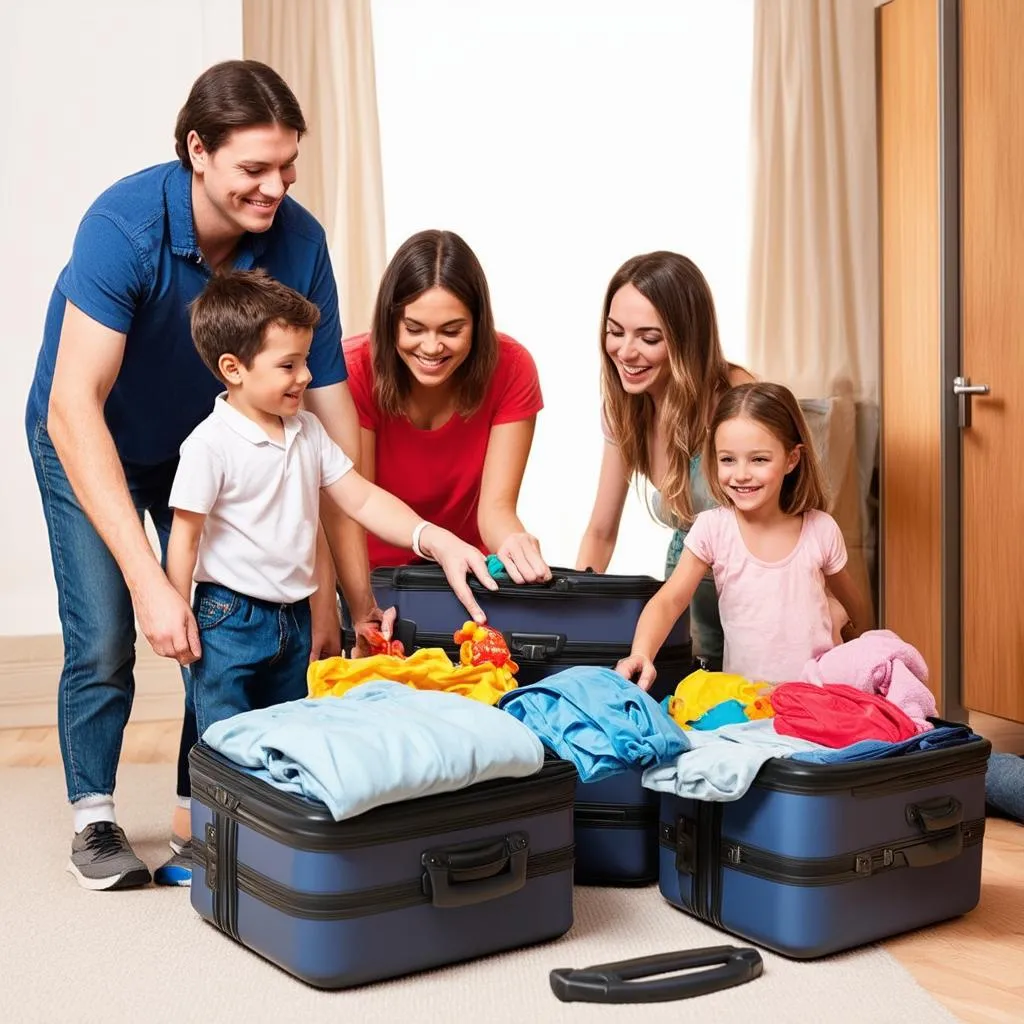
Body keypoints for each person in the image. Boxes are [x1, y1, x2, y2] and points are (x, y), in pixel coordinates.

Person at [24, 60, 382, 891]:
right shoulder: (125, 227)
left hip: (207, 445)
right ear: (198, 150)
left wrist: (350, 595)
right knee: (111, 629)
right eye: (254, 169)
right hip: (91, 435)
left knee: (222, 621)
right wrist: (151, 583)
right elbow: (74, 407)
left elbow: (334, 432)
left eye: (287, 166)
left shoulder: (299, 242)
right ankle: (95, 817)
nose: (275, 187)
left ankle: (207, 807)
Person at [167, 268, 495, 749]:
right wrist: (177, 608)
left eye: (305, 361)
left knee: (292, 737)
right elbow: (185, 536)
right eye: (289, 365)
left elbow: (360, 497)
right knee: (224, 743)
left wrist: (427, 534)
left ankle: (276, 826)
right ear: (234, 368)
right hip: (228, 617)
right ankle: (217, 822)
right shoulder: (209, 445)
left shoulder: (308, 432)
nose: (306, 375)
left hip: (294, 617)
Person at [615, 382, 871, 691]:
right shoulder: (713, 528)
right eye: (727, 459)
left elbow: (858, 611)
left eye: (759, 459)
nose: (740, 474)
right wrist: (641, 653)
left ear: (792, 459)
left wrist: (860, 648)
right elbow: (670, 601)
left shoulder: (820, 529)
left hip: (813, 702)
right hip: (747, 707)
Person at [343, 229, 550, 600]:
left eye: (452, 330)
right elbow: (355, 510)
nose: (432, 347)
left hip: (466, 576)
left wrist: (514, 542)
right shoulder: (354, 369)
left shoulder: (512, 367)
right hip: (373, 581)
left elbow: (496, 510)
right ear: (390, 321)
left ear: (478, 322)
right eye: (414, 329)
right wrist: (361, 608)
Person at [576, 252, 753, 670]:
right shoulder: (625, 407)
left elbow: (793, 525)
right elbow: (601, 532)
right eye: (615, 332)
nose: (626, 351)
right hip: (687, 592)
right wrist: (577, 604)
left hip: (752, 595)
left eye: (648, 338)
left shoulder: (737, 399)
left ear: (687, 338)